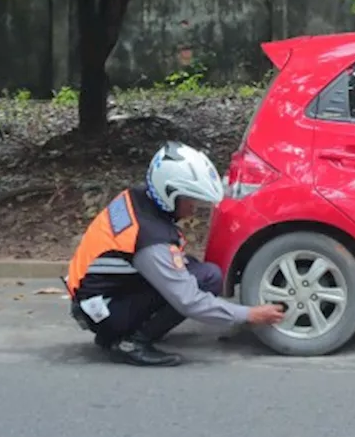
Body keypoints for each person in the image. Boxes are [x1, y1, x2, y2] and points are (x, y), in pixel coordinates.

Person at [64, 141, 286, 366]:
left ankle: (122, 331)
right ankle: (130, 342)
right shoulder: (150, 239)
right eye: (191, 199)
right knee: (201, 282)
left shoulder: (137, 197)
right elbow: (189, 301)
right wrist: (249, 315)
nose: (195, 207)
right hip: (102, 311)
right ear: (170, 194)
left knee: (203, 273)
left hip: (96, 296)